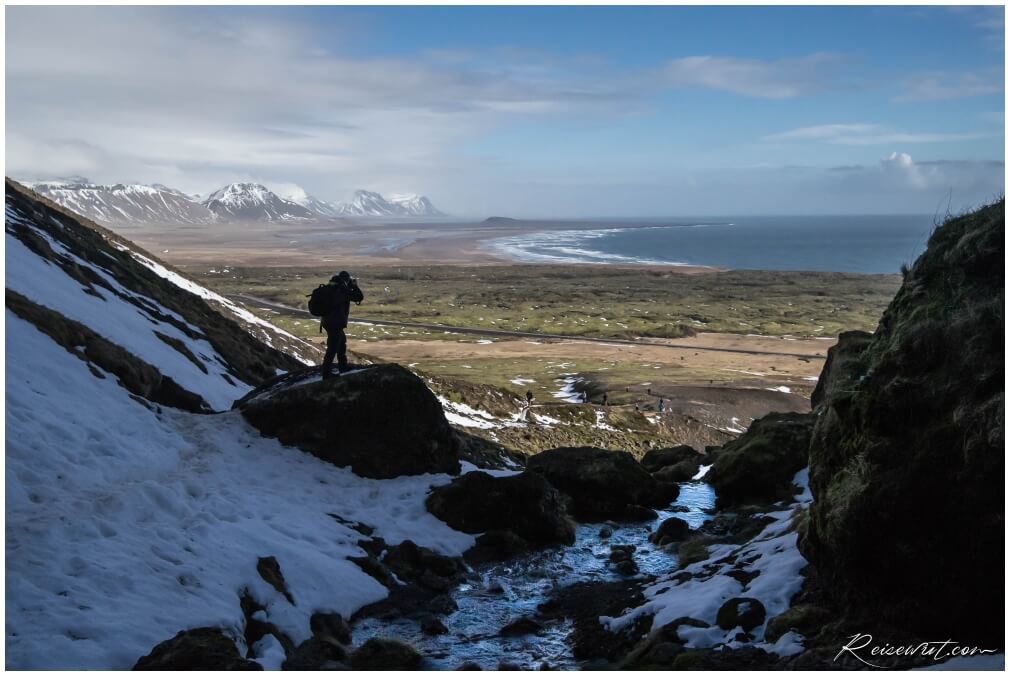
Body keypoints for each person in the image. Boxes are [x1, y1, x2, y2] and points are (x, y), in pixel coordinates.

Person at [320, 271, 363, 378]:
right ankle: (326, 373)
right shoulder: (342, 289)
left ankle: (343, 366)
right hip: (336, 323)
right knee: (333, 347)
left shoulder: (330, 287)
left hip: (326, 322)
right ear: (347, 280)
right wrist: (355, 286)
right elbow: (359, 297)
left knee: (341, 342)